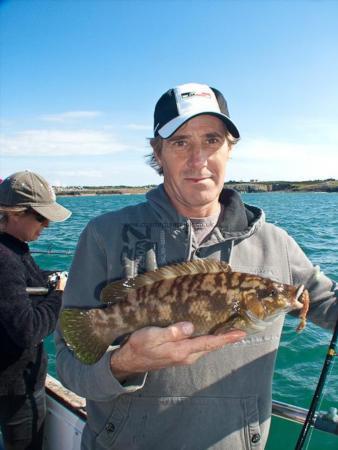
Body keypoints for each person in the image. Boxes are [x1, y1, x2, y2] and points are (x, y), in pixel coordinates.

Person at [55, 82, 338, 450]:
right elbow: (69, 365)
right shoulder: (104, 235)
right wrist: (123, 363)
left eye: (211, 140)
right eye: (180, 142)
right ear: (158, 153)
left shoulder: (278, 244)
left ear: (230, 148)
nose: (198, 159)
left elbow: (325, 303)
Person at [0, 170, 71, 450]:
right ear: (16, 213)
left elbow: (20, 284)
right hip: (14, 390)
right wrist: (60, 296)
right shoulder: (5, 258)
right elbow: (28, 330)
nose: (47, 225)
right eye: (42, 217)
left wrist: (51, 279)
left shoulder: (13, 249)